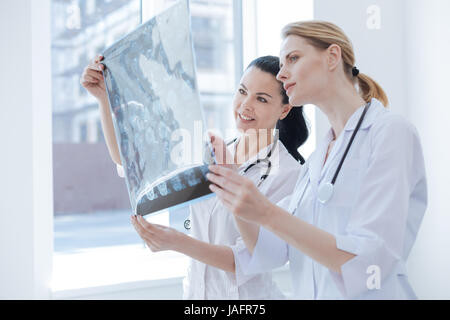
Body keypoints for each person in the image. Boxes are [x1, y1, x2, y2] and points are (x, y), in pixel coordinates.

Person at [206, 21, 428, 299]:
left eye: (293, 58)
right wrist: (233, 189)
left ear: (332, 57)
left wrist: (266, 212)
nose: (282, 72)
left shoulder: (391, 133)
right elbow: (268, 250)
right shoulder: (315, 162)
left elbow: (371, 261)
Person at [80, 55, 310, 299]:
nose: (245, 105)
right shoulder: (211, 150)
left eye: (261, 99)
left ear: (284, 109)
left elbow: (250, 259)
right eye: (242, 91)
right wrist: (103, 99)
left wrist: (176, 241)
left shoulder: (289, 174)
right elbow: (129, 163)